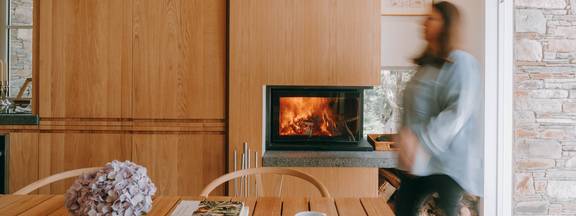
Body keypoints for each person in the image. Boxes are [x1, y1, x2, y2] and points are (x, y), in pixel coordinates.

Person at [394, 1, 483, 216]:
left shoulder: (461, 62)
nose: (424, 22)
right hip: (420, 162)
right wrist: (404, 140)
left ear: (447, 25)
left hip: (450, 165)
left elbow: (457, 113)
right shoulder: (427, 66)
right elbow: (412, 110)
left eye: (432, 18)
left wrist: (420, 142)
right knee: (403, 207)